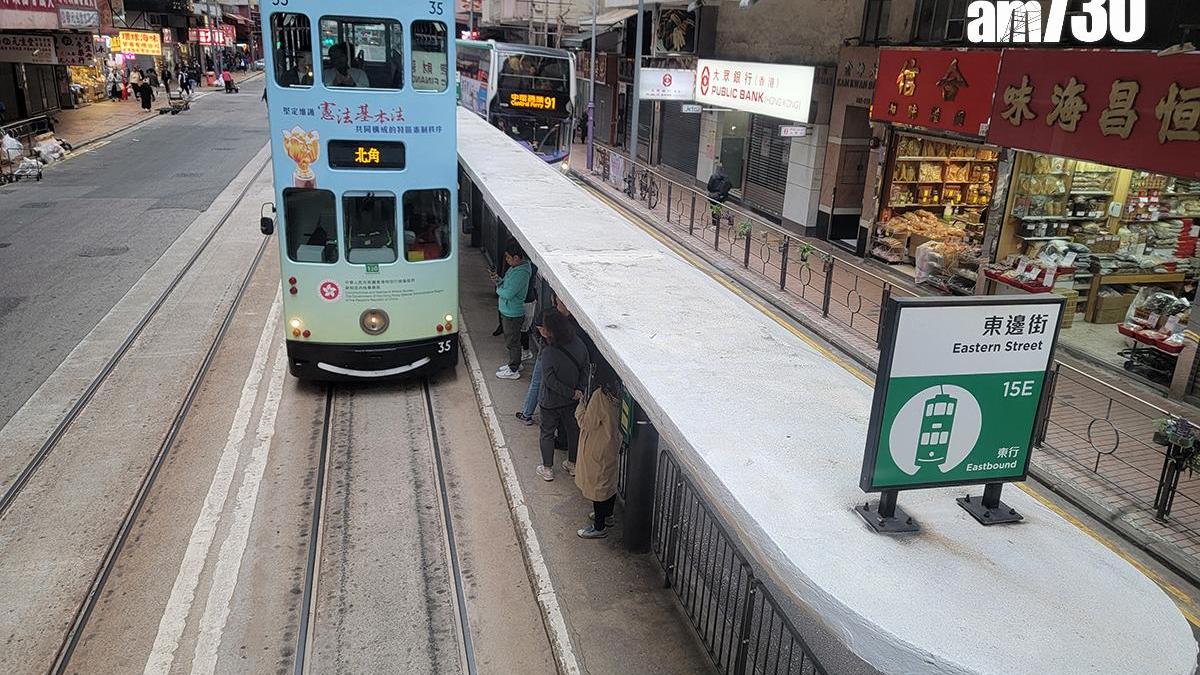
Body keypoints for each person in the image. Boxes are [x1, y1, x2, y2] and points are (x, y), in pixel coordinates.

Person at [536, 311, 589, 481]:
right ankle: (572, 463)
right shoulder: (579, 344)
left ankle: (547, 469)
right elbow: (585, 369)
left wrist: (569, 392)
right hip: (572, 401)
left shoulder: (548, 352)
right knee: (573, 431)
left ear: (550, 331)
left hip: (550, 401)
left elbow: (549, 380)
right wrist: (577, 391)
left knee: (547, 433)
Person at [517, 294, 572, 426]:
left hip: (547, 355)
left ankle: (527, 414)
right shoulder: (573, 321)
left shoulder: (548, 315)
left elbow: (537, 329)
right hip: (565, 359)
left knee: (537, 382)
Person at [574, 384, 621, 538]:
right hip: (612, 444)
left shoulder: (599, 395)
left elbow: (587, 423)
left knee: (597, 486)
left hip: (598, 446)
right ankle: (608, 516)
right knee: (609, 481)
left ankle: (599, 527)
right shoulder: (620, 393)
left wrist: (580, 407)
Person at [494, 242, 532, 380]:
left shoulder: (521, 273)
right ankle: (515, 363)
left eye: (508, 258)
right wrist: (499, 281)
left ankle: (513, 369)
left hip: (512, 313)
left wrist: (498, 290)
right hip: (508, 311)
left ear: (516, 258)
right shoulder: (515, 268)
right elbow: (506, 284)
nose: (507, 260)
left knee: (512, 342)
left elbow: (509, 293)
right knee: (513, 340)